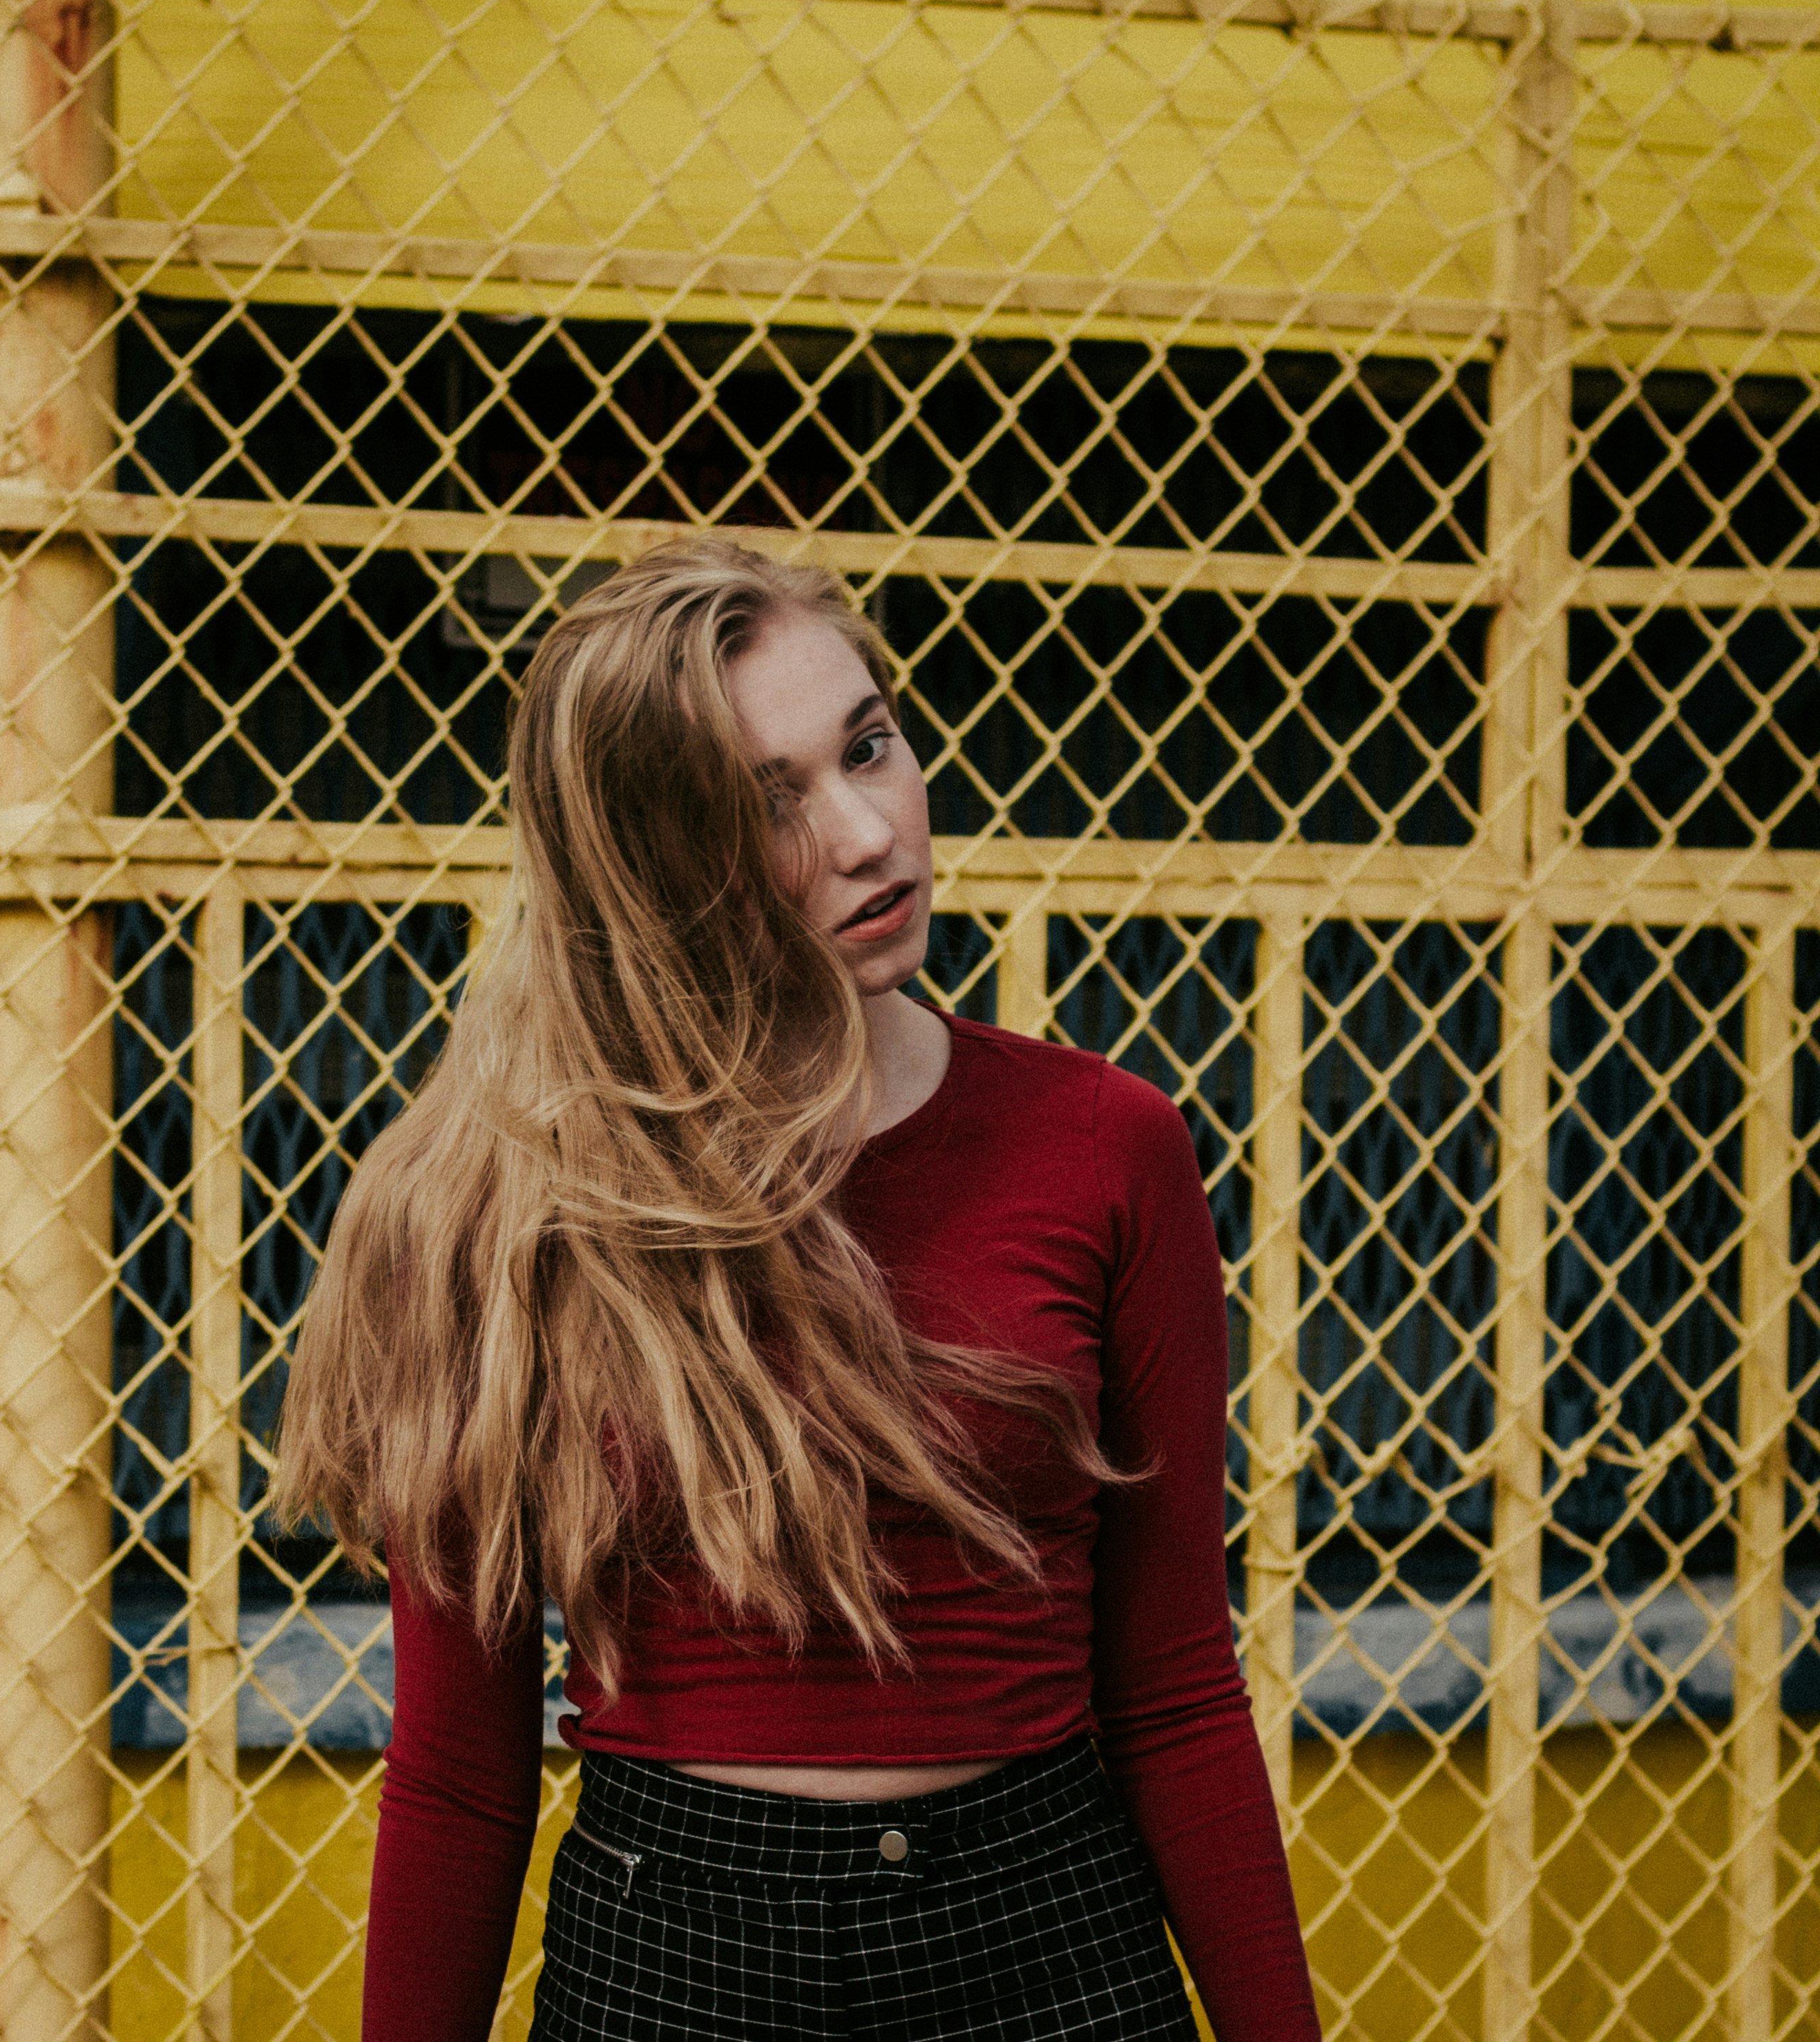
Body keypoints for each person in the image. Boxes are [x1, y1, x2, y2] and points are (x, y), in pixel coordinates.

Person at [277, 539, 1320, 2041]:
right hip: (671, 1959)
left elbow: (1168, 1688)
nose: (864, 833)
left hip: (1048, 1940)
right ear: (648, 868)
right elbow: (460, 1769)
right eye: (768, 803)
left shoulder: (1104, 1144)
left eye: (871, 746)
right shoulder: (485, 1206)